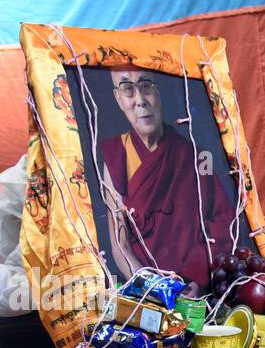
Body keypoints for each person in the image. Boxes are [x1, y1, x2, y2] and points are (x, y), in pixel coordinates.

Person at [96, 66, 238, 289]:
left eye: (146, 86)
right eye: (127, 89)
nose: (140, 100)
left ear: (158, 92)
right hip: (143, 286)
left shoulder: (199, 156)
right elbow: (120, 243)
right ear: (118, 98)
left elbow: (222, 222)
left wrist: (197, 279)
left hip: (193, 284)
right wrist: (153, 288)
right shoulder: (115, 156)